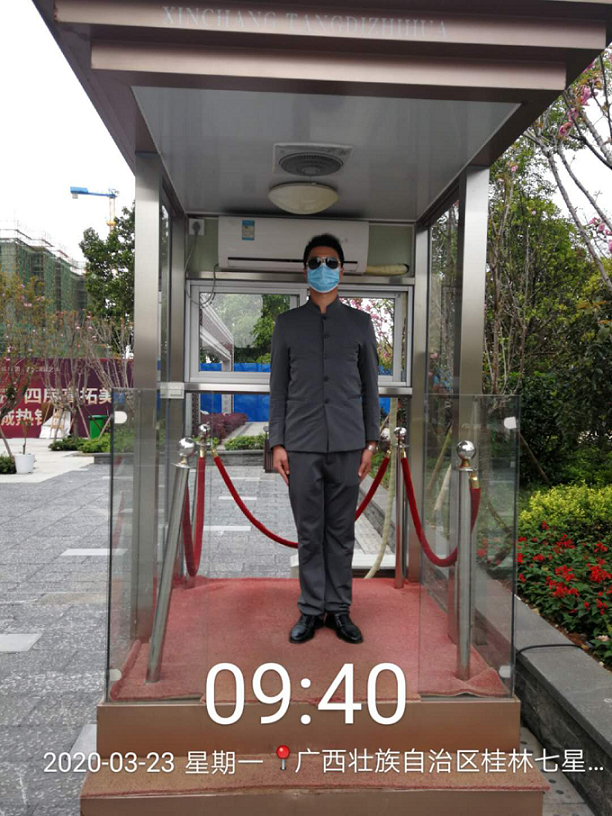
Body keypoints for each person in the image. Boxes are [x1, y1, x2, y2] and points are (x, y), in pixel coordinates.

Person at [268, 233, 380, 645]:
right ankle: (311, 609)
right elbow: (278, 388)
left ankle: (340, 609)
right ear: (306, 270)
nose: (323, 268)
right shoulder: (287, 324)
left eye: (331, 262)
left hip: (349, 443)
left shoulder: (360, 324)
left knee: (341, 530)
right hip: (301, 443)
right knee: (309, 530)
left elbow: (371, 387)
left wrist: (371, 442)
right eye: (316, 262)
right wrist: (277, 443)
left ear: (342, 271)